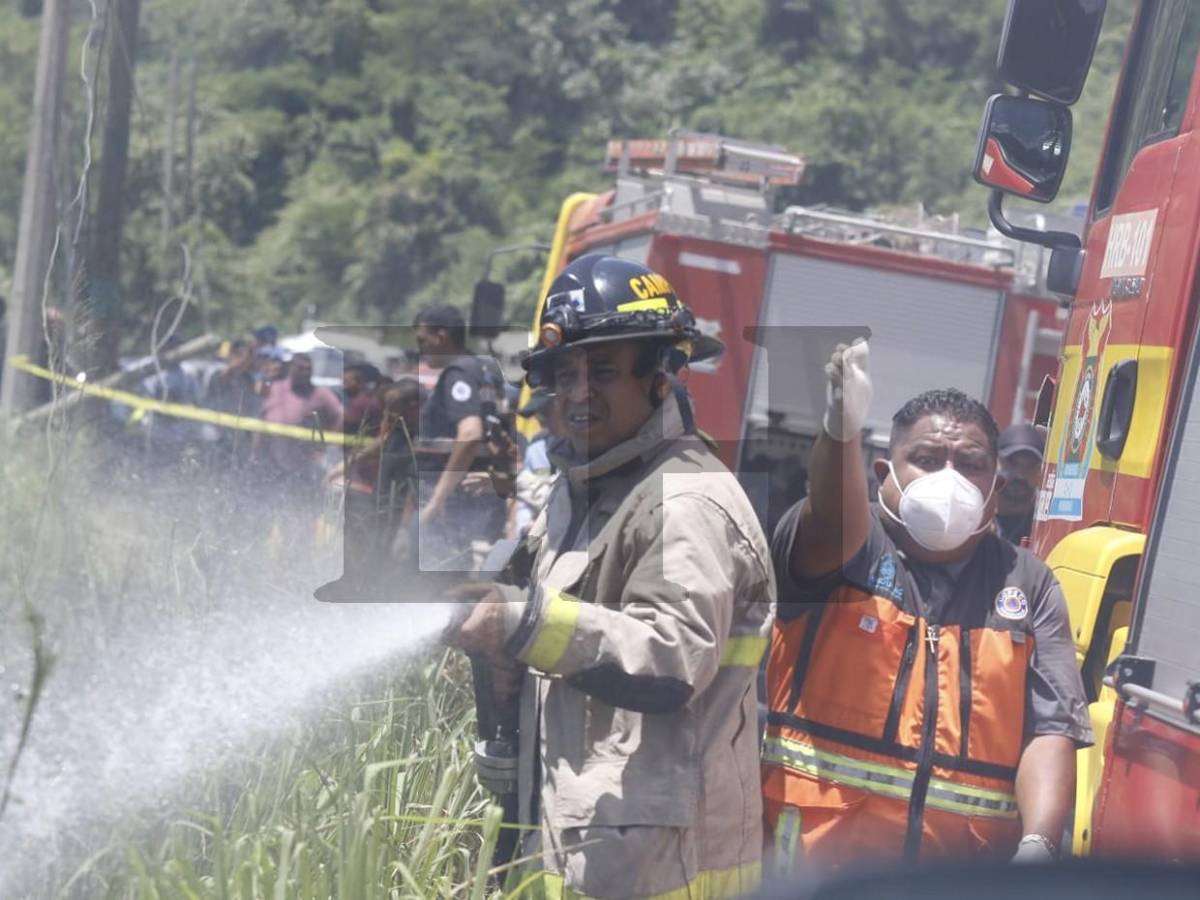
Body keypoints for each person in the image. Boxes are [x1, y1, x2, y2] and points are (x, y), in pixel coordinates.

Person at [446, 254, 775, 899]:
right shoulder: (587, 486)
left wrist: (524, 623)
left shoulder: (685, 497)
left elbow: (672, 657)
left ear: (660, 375)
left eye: (602, 370)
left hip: (667, 868)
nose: (576, 393)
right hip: (593, 844)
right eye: (562, 375)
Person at [761, 341, 1092, 871]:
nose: (948, 477)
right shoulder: (849, 548)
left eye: (970, 464)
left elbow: (1051, 728)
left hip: (958, 877)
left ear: (995, 485)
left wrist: (1039, 847)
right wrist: (840, 431)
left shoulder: (1027, 583)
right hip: (811, 869)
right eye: (927, 460)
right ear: (882, 474)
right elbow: (830, 514)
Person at [412, 303, 506, 571]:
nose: (420, 348)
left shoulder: (459, 373)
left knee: (442, 581)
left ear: (441, 337)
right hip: (479, 502)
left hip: (455, 506)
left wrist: (437, 500)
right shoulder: (484, 370)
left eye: (423, 339)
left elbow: (470, 433)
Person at [255, 352, 343, 485]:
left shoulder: (321, 394)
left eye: (309, 369)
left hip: (301, 463)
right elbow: (262, 416)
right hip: (269, 456)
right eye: (301, 369)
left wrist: (322, 447)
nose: (305, 373)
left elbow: (339, 418)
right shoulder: (276, 387)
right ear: (291, 368)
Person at [995, 423, 1045, 544]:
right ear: (994, 463)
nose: (1020, 474)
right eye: (1012, 463)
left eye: (1031, 466)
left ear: (1041, 472)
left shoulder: (1041, 531)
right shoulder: (975, 520)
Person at [342, 363, 383, 436]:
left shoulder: (361, 402)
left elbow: (348, 422)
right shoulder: (365, 398)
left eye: (346, 382)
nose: (344, 387)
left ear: (359, 382)